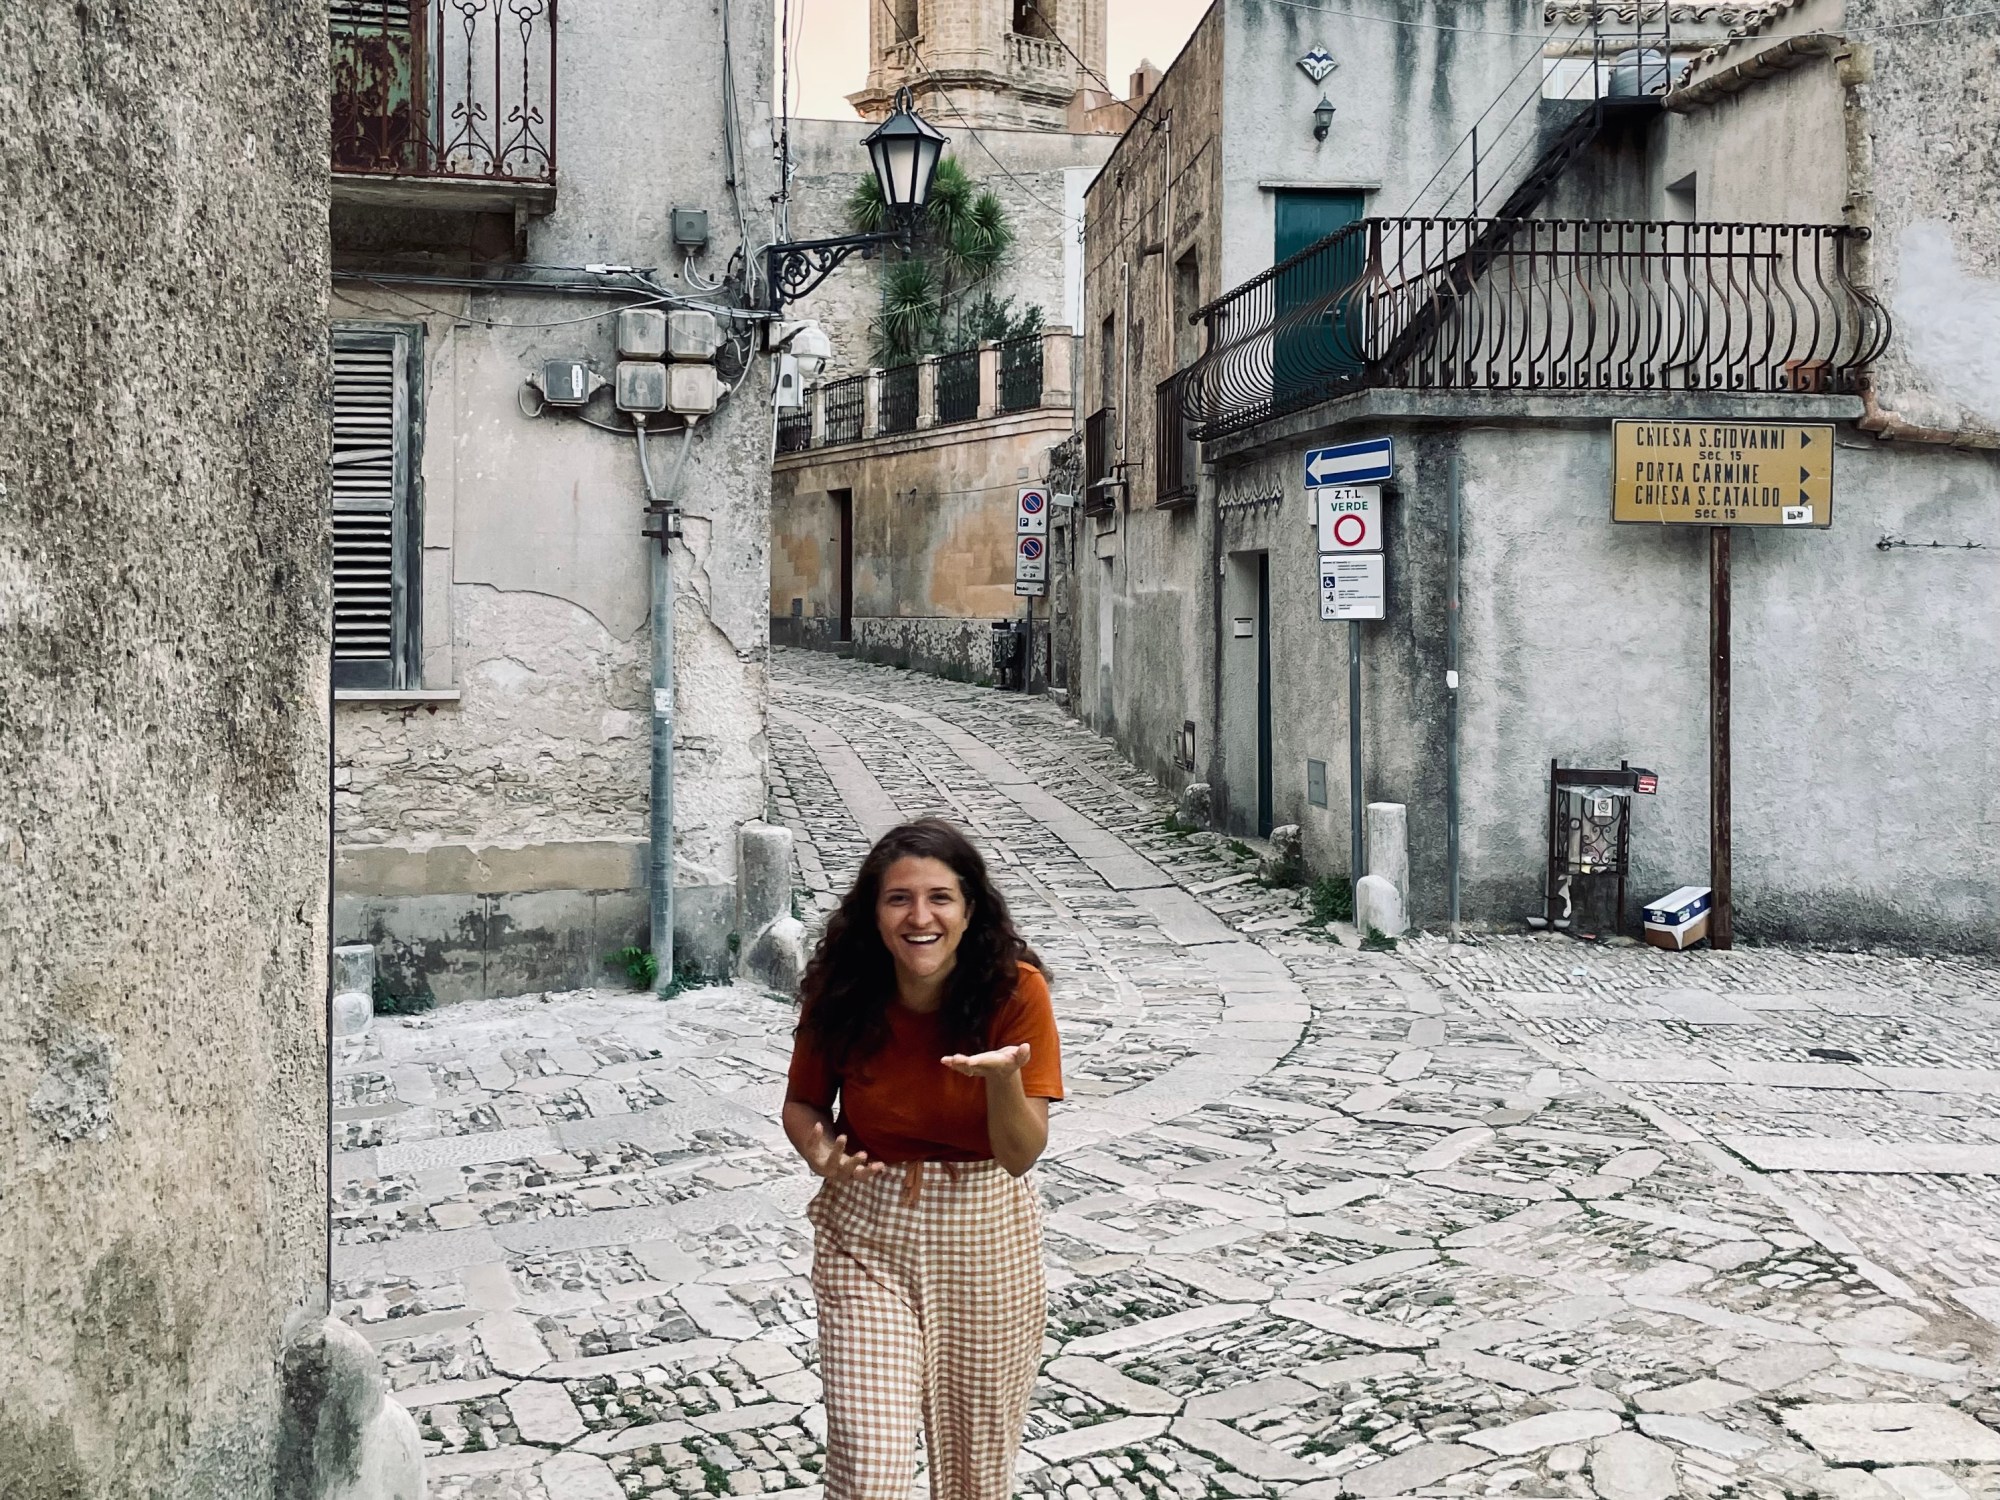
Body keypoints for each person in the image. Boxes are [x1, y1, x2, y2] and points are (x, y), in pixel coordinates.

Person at [783, 818, 1063, 1500]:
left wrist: (1002, 1081)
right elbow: (803, 1104)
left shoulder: (1015, 991)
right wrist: (822, 1153)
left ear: (969, 910)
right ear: (873, 913)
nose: (920, 916)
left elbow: (1021, 1156)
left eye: (940, 897)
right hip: (866, 1238)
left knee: (975, 1472)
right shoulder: (844, 990)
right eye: (898, 898)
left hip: (986, 1234)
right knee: (869, 1469)